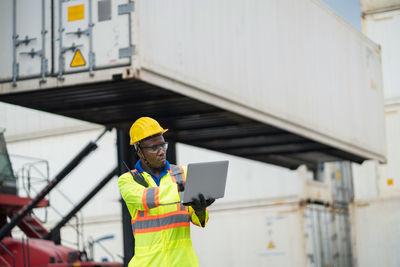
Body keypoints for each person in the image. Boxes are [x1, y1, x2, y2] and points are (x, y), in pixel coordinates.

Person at [118, 117, 215, 267]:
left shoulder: (184, 174)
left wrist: (200, 210)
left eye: (163, 145)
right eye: (153, 148)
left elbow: (199, 221)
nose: (161, 151)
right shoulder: (128, 180)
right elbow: (144, 199)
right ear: (139, 151)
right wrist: (180, 188)